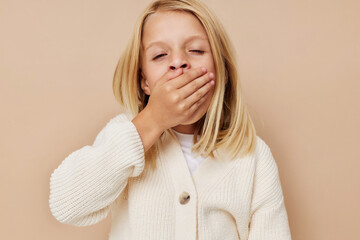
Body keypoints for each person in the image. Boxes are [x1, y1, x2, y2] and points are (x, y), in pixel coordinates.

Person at [49, 0, 292, 239]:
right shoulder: (124, 135)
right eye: (160, 55)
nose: (178, 62)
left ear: (222, 72)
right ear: (144, 82)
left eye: (196, 50)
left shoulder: (253, 157)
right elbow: (65, 204)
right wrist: (152, 121)